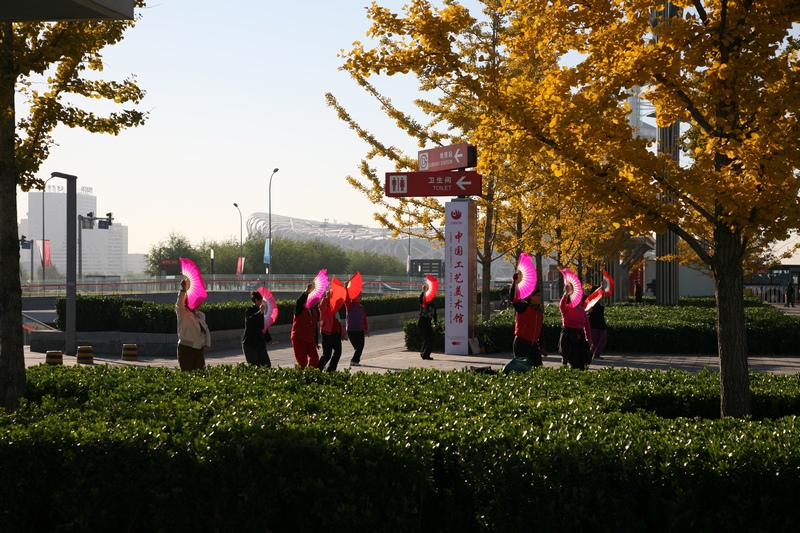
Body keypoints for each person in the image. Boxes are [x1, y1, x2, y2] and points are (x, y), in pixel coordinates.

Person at [510, 273, 547, 367]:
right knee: (524, 369)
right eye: (538, 295)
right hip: (521, 344)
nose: (540, 297)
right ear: (531, 297)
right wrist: (515, 282)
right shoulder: (523, 307)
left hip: (533, 346)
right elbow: (513, 299)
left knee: (539, 368)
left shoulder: (539, 312)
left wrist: (542, 347)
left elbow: (540, 330)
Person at [175, 278, 210, 371]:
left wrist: (207, 343)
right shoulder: (183, 313)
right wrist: (183, 290)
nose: (198, 303)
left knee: (200, 374)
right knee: (187, 373)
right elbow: (179, 304)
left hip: (199, 348)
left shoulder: (201, 315)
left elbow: (206, 330)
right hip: (186, 348)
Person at [558, 283, 592, 370]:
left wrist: (589, 338)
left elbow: (587, 325)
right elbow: (561, 305)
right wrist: (566, 293)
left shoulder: (582, 310)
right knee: (574, 361)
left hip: (580, 337)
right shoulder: (566, 308)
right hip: (569, 337)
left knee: (584, 361)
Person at [291, 282, 320, 369]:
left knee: (315, 359)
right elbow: (299, 302)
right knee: (302, 362)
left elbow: (315, 327)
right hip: (299, 339)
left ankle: (309, 375)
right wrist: (307, 291)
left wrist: (315, 341)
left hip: (310, 340)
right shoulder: (300, 310)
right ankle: (297, 376)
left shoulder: (314, 313)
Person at [241, 290, 272, 367]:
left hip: (260, 342)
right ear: (257, 301)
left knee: (267, 365)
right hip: (250, 343)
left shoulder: (262, 311)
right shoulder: (250, 310)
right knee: (254, 366)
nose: (263, 302)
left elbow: (263, 327)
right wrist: (259, 312)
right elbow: (250, 320)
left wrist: (269, 339)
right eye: (261, 300)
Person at [318, 288, 344, 371]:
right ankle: (318, 369)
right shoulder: (325, 303)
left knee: (338, 352)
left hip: (336, 333)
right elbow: (321, 308)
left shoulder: (335, 306)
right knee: (327, 355)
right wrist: (326, 298)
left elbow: (338, 320)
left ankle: (330, 370)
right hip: (327, 333)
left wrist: (342, 332)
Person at [345, 293, 369, 367]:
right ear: (355, 297)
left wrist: (366, 328)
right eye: (359, 296)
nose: (360, 297)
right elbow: (346, 299)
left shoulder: (361, 307)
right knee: (357, 347)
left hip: (360, 329)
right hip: (351, 330)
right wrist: (346, 287)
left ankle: (354, 360)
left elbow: (364, 319)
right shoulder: (350, 305)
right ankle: (355, 360)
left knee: (360, 346)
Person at [417, 288, 438, 360]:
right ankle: (425, 354)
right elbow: (420, 299)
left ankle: (423, 352)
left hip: (428, 323)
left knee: (430, 338)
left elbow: (435, 314)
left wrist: (435, 323)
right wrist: (423, 291)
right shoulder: (424, 302)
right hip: (422, 323)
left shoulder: (433, 303)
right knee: (430, 338)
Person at [587, 285, 607, 360]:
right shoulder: (591, 300)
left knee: (603, 338)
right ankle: (592, 355)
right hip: (593, 322)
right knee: (594, 341)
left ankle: (596, 354)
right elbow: (587, 310)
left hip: (601, 322)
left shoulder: (600, 301)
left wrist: (602, 286)